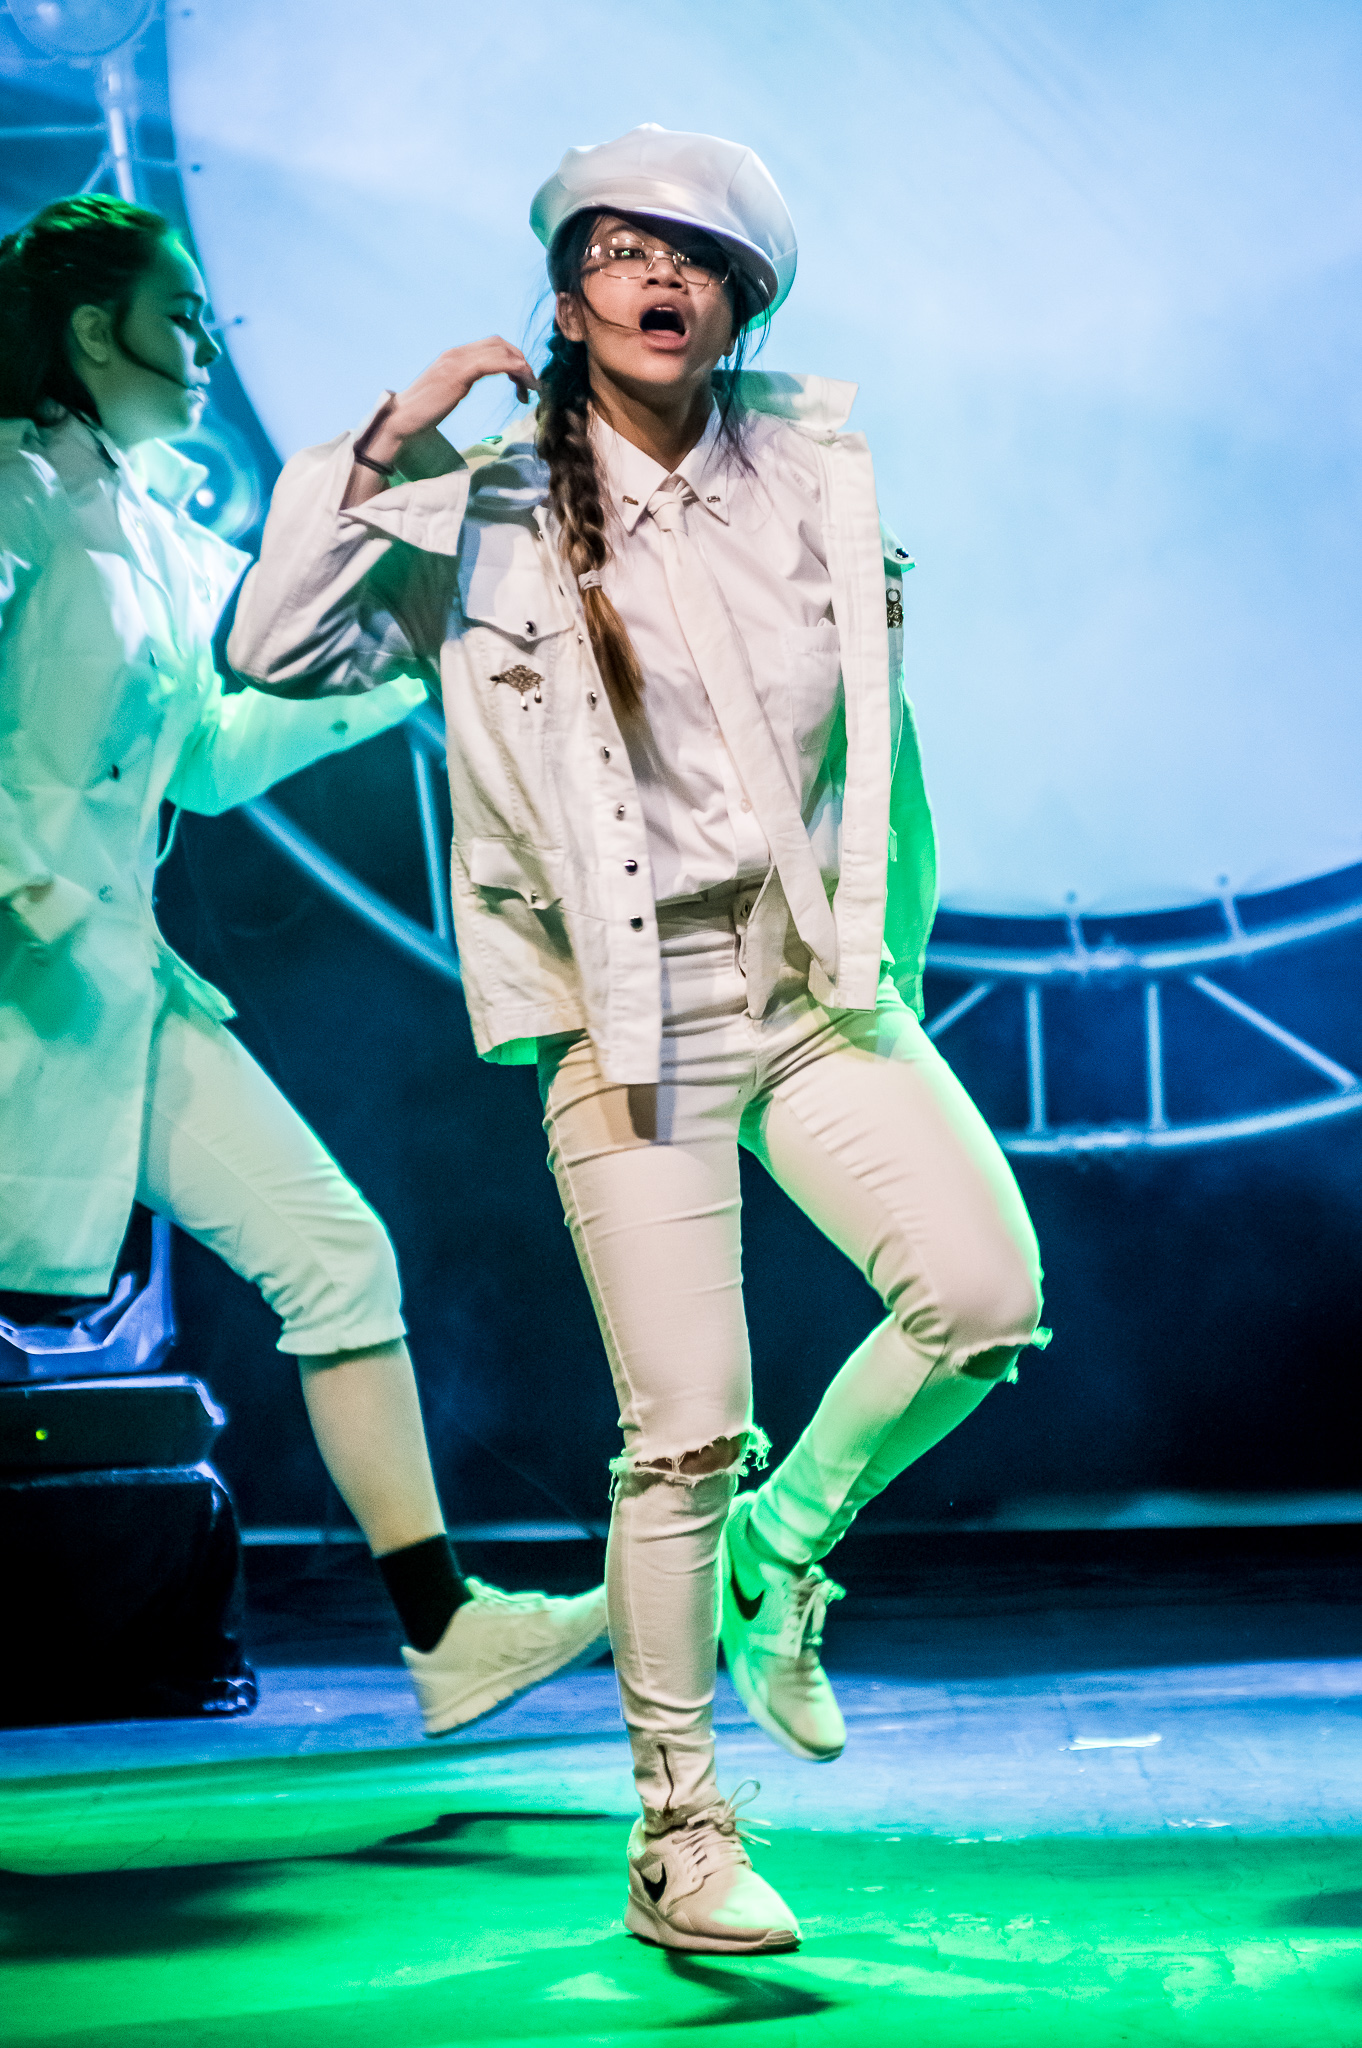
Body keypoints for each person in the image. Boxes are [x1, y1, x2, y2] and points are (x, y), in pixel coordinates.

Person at [229, 124, 1047, 1954]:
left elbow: (875, 757)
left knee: (983, 1301)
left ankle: (786, 1543)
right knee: (682, 1428)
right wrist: (384, 440)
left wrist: (883, 949)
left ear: (739, 302)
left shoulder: (810, 470)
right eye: (620, 250)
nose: (660, 278)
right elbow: (270, 652)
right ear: (567, 293)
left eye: (696, 259)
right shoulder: (476, 503)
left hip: (811, 984)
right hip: (625, 1011)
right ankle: (679, 1827)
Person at [0, 194, 607, 1736]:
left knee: (335, 1257)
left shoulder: (146, 524)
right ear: (93, 329)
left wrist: (404, 669)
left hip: (100, 996)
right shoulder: (7, 494)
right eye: (183, 314)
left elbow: (207, 757)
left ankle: (445, 1631)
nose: (208, 343)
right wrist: (30, 895)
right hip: (28, 971)